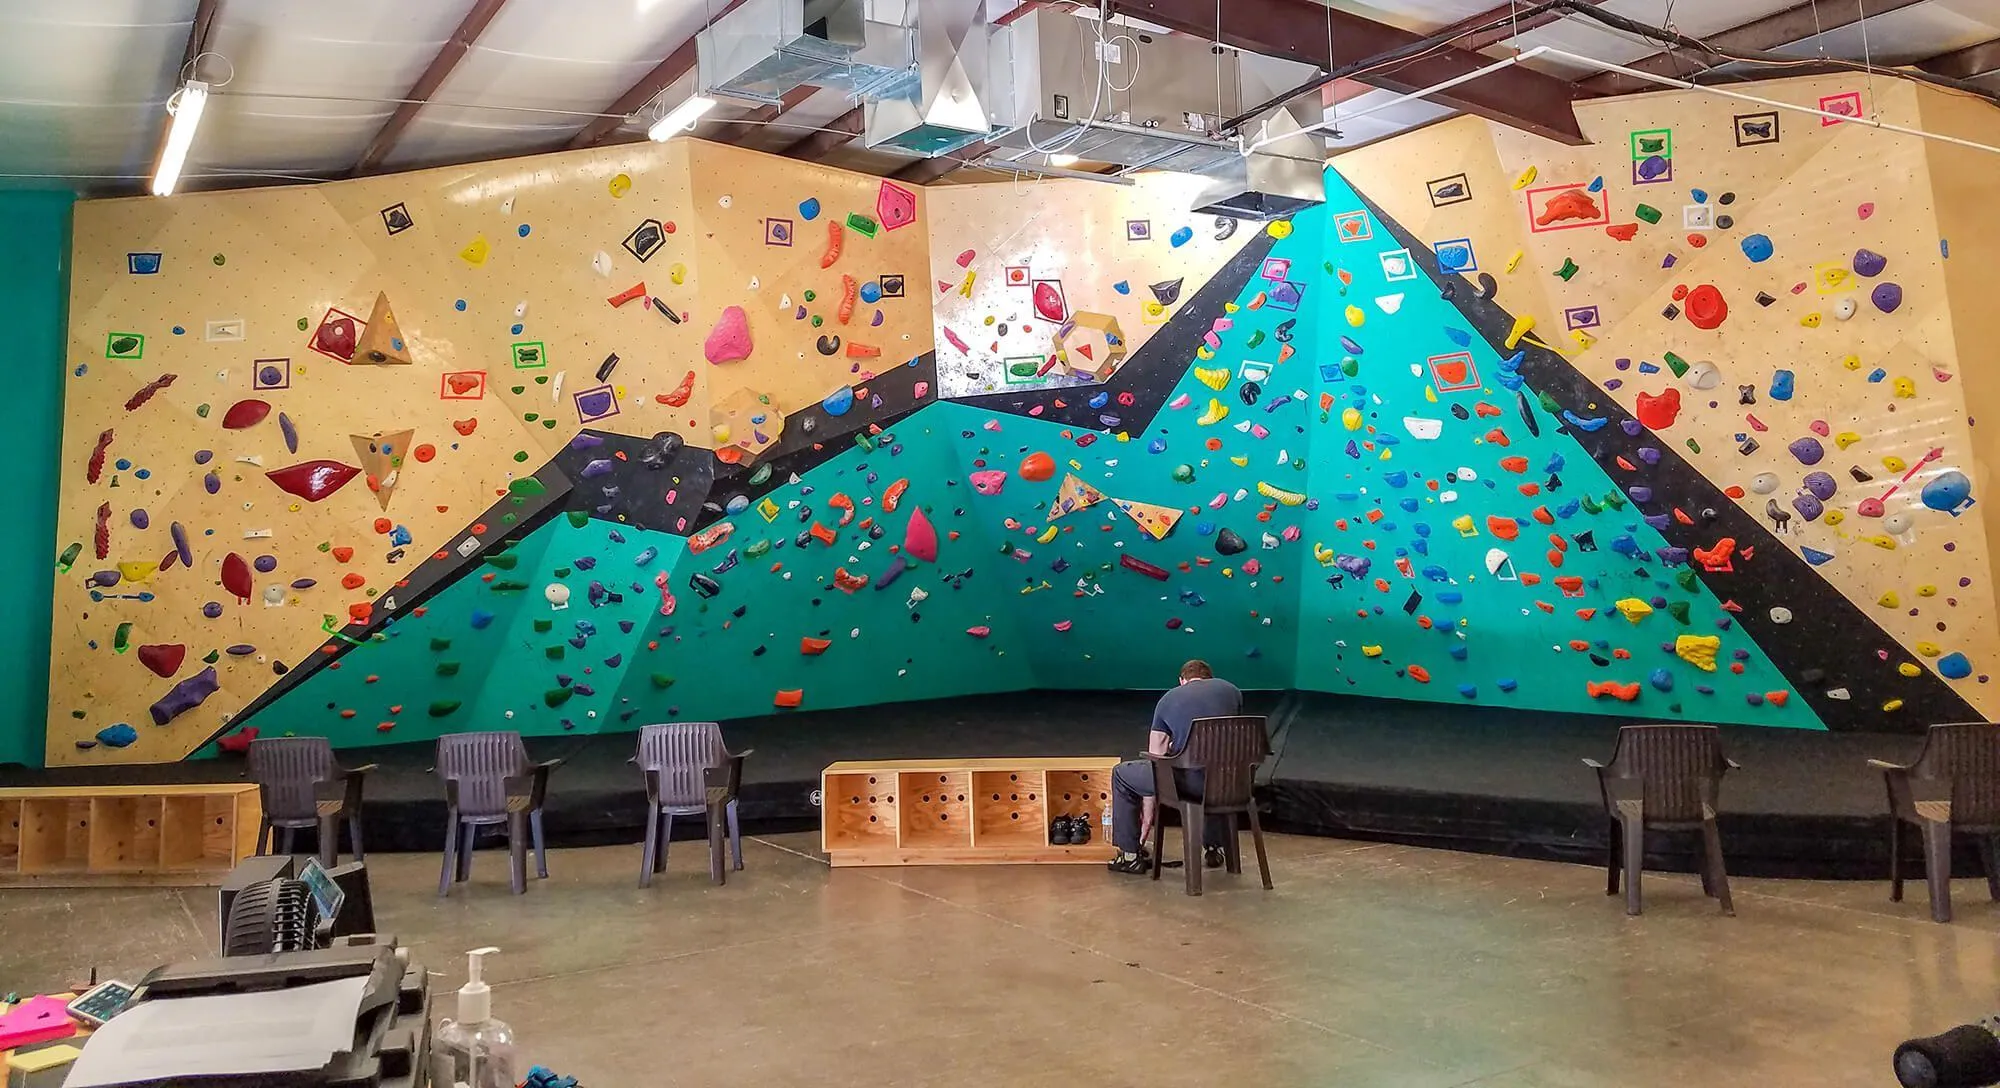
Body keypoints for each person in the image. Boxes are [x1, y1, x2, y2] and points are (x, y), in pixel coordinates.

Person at [1106, 659, 1242, 875]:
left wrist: (1148, 809)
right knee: (1212, 769)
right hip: (1230, 783)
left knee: (1122, 774)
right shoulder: (1232, 692)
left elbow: (1156, 756)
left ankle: (1129, 855)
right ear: (1210, 677)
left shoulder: (1168, 699)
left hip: (1186, 785)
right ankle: (1213, 848)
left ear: (1182, 681)